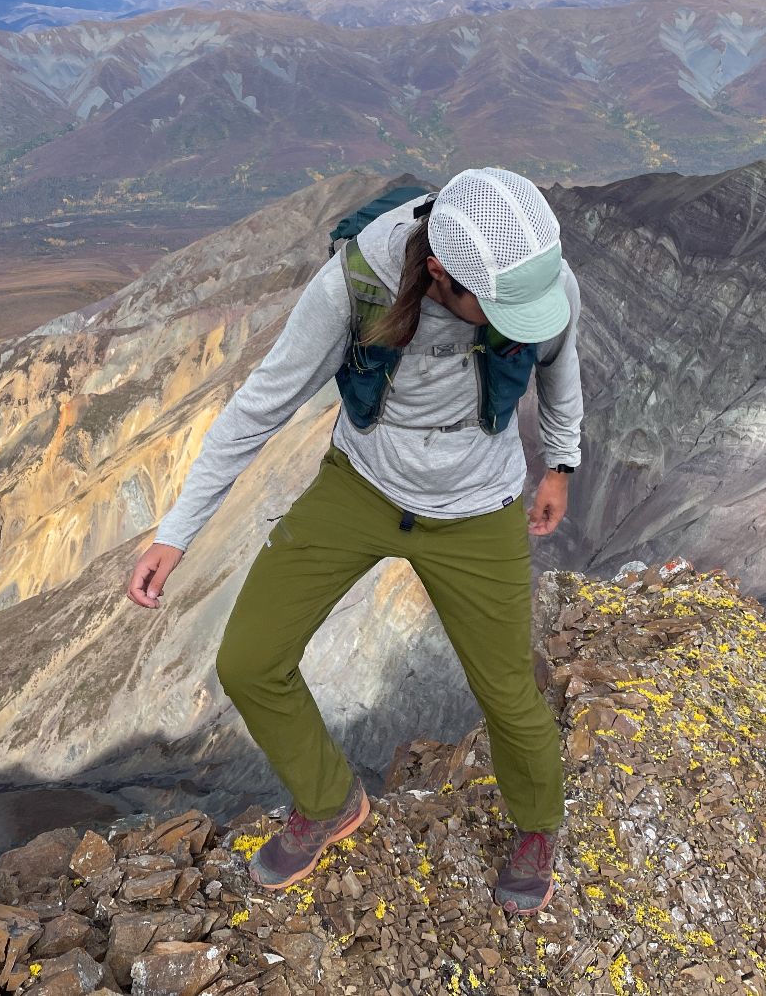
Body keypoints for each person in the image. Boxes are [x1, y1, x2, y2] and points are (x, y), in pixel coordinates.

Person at [124, 167, 583, 915]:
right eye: (493, 309)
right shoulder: (353, 286)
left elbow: (560, 366)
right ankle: (329, 800)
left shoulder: (538, 280)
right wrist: (176, 533)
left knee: (507, 692)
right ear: (438, 271)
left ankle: (537, 827)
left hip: (478, 506)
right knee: (249, 661)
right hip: (361, 487)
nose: (513, 321)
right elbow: (256, 409)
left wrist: (560, 463)